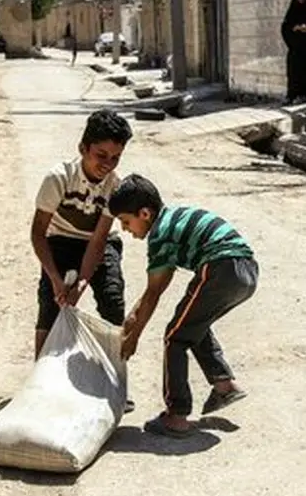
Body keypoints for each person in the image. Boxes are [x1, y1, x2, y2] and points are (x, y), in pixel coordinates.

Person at [109, 175, 259, 439]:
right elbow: (152, 292)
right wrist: (131, 322)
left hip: (221, 267)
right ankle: (224, 386)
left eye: (126, 221)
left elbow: (154, 293)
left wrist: (133, 338)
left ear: (144, 214)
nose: (125, 229)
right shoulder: (172, 219)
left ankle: (176, 416)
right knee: (192, 326)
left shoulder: (160, 235)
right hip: (247, 272)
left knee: (175, 337)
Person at [32, 108, 132, 360]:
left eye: (115, 158)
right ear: (83, 148)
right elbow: (38, 234)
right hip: (60, 241)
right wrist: (56, 279)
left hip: (98, 244)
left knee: (113, 300)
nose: (107, 164)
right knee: (50, 304)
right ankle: (40, 370)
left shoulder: (114, 186)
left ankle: (115, 369)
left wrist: (82, 282)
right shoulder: (59, 178)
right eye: (101, 155)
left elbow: (99, 240)